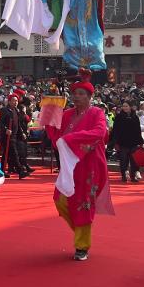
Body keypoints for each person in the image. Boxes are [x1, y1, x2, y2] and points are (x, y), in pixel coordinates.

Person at [47, 79, 113, 260]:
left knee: (83, 203)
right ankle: (81, 230)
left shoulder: (97, 113)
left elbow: (99, 133)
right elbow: (56, 135)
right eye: (75, 93)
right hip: (70, 165)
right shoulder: (66, 114)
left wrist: (72, 139)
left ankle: (82, 246)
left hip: (90, 164)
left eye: (81, 94)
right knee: (60, 200)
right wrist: (49, 116)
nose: (77, 97)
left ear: (90, 97)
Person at [0, 91, 30, 179]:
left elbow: (18, 124)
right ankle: (20, 171)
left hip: (15, 135)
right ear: (9, 101)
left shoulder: (16, 110)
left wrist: (22, 133)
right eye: (13, 100)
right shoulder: (5, 110)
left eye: (16, 101)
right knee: (14, 154)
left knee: (6, 154)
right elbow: (0, 123)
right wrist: (5, 129)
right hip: (7, 136)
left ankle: (1, 171)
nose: (15, 102)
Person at [111, 101, 144, 183]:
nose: (124, 108)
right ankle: (124, 176)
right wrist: (115, 142)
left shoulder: (135, 117)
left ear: (130, 107)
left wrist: (141, 141)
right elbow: (115, 130)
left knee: (134, 160)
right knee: (123, 160)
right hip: (122, 143)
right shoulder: (119, 117)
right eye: (123, 106)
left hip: (133, 142)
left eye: (126, 106)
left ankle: (133, 177)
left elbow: (138, 130)